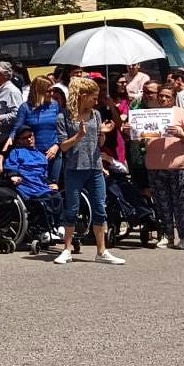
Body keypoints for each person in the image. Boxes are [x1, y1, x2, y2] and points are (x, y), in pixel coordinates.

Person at [52, 76, 124, 265]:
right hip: (74, 168)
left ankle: (102, 250)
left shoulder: (96, 115)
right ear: (82, 96)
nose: (96, 100)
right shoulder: (63, 116)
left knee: (100, 207)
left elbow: (98, 141)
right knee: (72, 209)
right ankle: (67, 249)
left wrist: (102, 135)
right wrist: (78, 135)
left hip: (94, 166)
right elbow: (63, 146)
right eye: (93, 97)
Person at [144, 84, 184, 249]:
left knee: (180, 203)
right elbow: (139, 135)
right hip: (155, 165)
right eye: (161, 96)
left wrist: (180, 134)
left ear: (174, 98)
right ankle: (166, 236)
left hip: (177, 165)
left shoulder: (181, 113)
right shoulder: (150, 114)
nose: (163, 99)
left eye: (167, 96)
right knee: (161, 203)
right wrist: (131, 131)